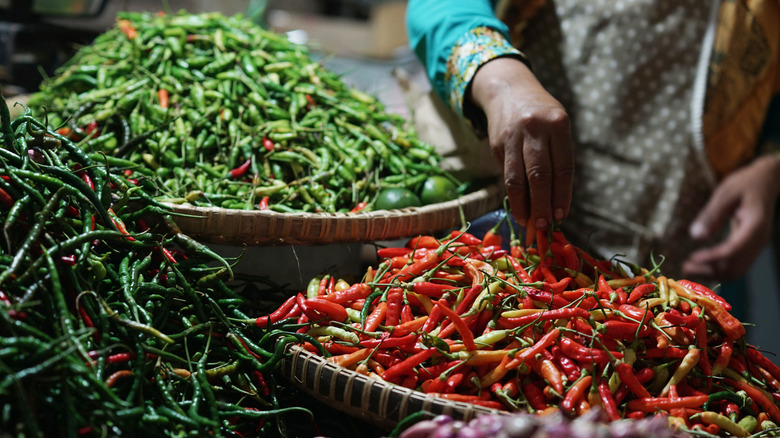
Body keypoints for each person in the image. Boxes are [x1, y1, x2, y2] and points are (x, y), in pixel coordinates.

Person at [406, 0, 780, 283]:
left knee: (675, 361)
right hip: (509, 240)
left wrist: (769, 165)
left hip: (690, 248)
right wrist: (501, 81)